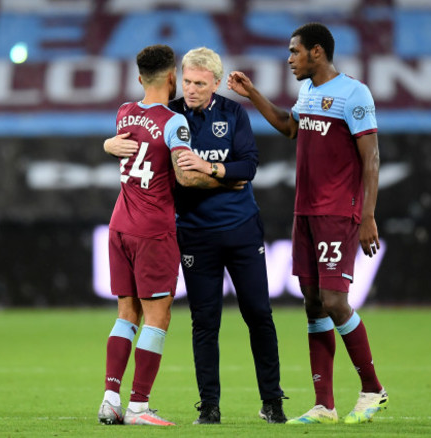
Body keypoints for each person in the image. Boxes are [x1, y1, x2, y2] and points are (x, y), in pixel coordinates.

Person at [227, 22, 388, 424]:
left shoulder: (355, 93)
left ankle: (372, 389)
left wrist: (367, 214)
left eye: (294, 51)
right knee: (313, 304)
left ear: (317, 52)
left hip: (338, 212)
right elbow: (289, 127)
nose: (289, 59)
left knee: (334, 301)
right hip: (306, 212)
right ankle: (324, 405)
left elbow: (371, 158)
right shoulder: (309, 92)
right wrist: (252, 95)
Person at [97, 44, 224, 427]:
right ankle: (138, 406)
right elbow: (185, 175)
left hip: (120, 224)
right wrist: (224, 176)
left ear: (139, 78)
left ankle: (109, 400)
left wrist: (106, 144)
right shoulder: (174, 122)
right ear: (172, 78)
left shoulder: (124, 112)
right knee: (158, 316)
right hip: (153, 230)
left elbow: (121, 146)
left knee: (126, 315)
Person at [172, 47, 287, 425]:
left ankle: (272, 402)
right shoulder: (171, 115)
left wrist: (207, 166)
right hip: (195, 233)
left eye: (200, 84)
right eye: (187, 81)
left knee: (259, 314)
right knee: (205, 322)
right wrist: (224, 176)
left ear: (216, 83)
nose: (191, 89)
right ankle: (209, 407)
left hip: (241, 231)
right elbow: (180, 180)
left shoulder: (233, 113)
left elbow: (249, 167)